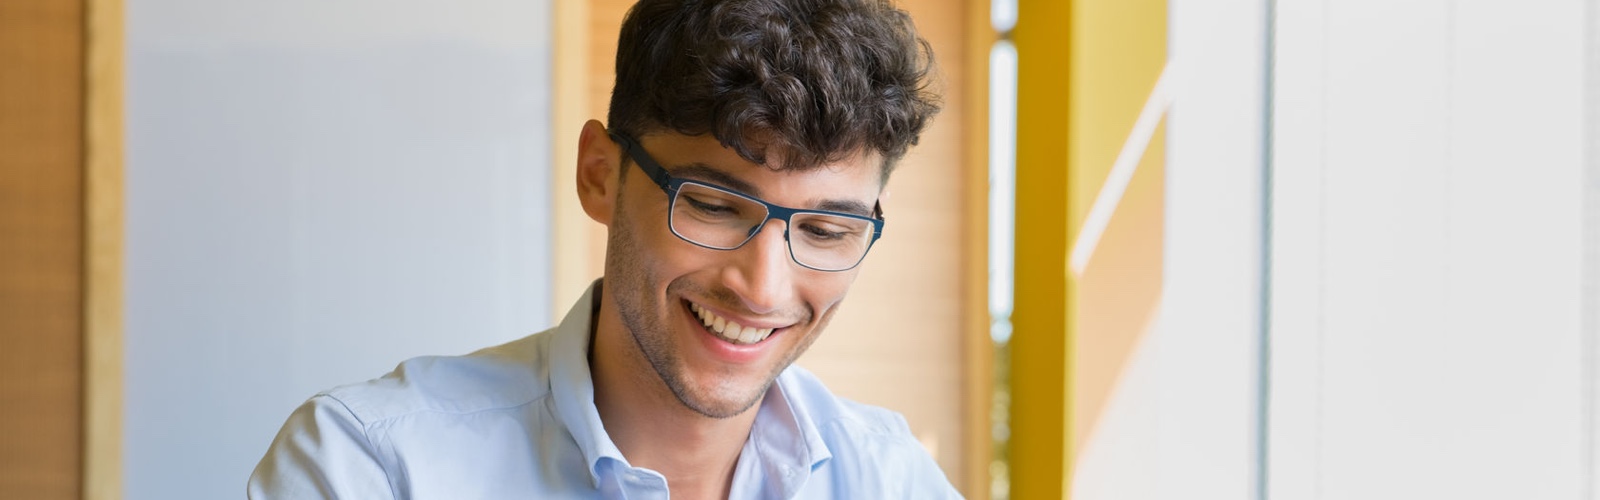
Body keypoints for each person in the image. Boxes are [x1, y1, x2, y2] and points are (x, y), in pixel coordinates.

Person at [248, 0, 953, 497]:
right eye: (711, 205)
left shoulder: (891, 480)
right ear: (601, 176)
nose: (763, 288)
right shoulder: (371, 466)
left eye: (827, 231)